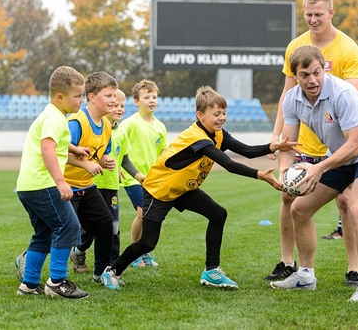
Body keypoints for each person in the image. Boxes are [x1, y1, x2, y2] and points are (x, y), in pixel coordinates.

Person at [99, 86, 299, 290]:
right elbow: (229, 164)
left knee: (218, 214)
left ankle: (211, 271)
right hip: (160, 189)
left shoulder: (218, 133)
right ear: (200, 115)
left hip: (183, 189)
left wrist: (273, 147)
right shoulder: (198, 138)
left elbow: (245, 151)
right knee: (148, 243)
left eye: (224, 113)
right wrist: (259, 174)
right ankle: (112, 271)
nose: (222, 118)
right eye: (216, 114)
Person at [270, 46, 358, 303]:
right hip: (341, 156)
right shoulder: (291, 99)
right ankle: (305, 276)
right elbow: (288, 144)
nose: (312, 80)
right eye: (305, 75)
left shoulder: (343, 93)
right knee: (299, 209)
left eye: (317, 72)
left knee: (357, 208)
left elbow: (357, 144)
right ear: (296, 76)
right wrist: (284, 170)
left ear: (323, 68)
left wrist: (319, 168)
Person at [267, 0, 358, 287]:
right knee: (288, 195)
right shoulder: (295, 46)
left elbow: (352, 101)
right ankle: (288, 262)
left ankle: (354, 267)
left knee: (346, 202)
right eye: (308, 14)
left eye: (318, 14)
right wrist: (277, 135)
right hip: (302, 141)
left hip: (337, 144)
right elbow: (288, 93)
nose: (313, 20)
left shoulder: (348, 50)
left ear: (331, 13)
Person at [15, 66, 89, 298]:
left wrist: (75, 149)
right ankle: (56, 283)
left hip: (28, 186)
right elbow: (47, 147)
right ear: (60, 97)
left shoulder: (51, 115)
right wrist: (61, 182)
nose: (81, 100)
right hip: (43, 184)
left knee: (44, 233)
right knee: (68, 226)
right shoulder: (55, 119)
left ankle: (28, 285)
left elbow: (55, 144)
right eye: (77, 96)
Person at [65, 71, 118, 287]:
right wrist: (86, 164)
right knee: (61, 231)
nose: (113, 100)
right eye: (108, 96)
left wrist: (105, 161)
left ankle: (101, 272)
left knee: (106, 224)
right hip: (67, 186)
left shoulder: (106, 124)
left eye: (114, 96)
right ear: (92, 97)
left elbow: (101, 152)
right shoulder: (77, 122)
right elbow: (62, 153)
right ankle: (28, 258)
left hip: (87, 186)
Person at [120, 79, 168, 268]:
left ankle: (144, 252)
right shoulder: (129, 124)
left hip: (153, 179)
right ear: (137, 101)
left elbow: (164, 153)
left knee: (148, 216)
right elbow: (116, 145)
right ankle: (135, 254)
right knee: (142, 212)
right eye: (146, 97)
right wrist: (117, 168)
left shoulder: (160, 127)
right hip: (133, 178)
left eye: (154, 97)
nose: (151, 100)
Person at [93, 89, 145, 263]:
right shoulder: (96, 129)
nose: (119, 109)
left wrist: (138, 176)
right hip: (92, 185)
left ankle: (112, 266)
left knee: (113, 226)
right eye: (115, 105)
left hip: (111, 186)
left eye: (122, 105)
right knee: (87, 228)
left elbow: (124, 159)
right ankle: (79, 250)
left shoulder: (121, 132)